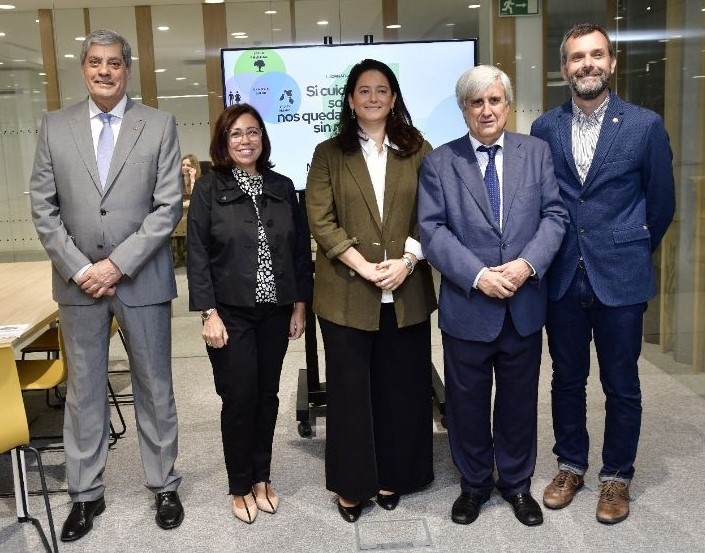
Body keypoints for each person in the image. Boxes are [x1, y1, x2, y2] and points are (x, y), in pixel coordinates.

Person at [29, 29, 184, 542]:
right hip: (78, 285)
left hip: (141, 279)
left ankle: (164, 485)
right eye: (95, 62)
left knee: (155, 387)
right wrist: (80, 268)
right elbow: (44, 208)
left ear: (127, 69)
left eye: (114, 63)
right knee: (84, 392)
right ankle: (85, 495)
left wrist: (117, 265)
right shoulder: (54, 127)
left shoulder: (158, 125)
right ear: (82, 67)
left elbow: (167, 207)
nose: (104, 71)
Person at [530, 23, 676, 524]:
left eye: (596, 55)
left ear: (611, 63)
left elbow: (660, 205)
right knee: (566, 379)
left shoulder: (644, 125)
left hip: (621, 276)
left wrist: (628, 248)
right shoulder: (544, 129)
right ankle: (570, 465)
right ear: (564, 68)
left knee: (622, 383)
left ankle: (616, 477)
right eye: (576, 58)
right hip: (563, 277)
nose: (586, 64)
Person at [418, 65, 568, 527]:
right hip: (469, 307)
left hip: (523, 306)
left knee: (519, 402)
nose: (487, 110)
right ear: (464, 110)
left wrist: (527, 265)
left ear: (507, 104)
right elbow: (431, 230)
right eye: (476, 102)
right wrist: (478, 274)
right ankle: (475, 484)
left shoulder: (537, 152)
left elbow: (555, 215)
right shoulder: (440, 162)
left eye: (495, 101)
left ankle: (517, 485)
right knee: (466, 405)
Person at [306, 59, 437, 523]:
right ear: (350, 100)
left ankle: (394, 474)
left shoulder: (418, 150)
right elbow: (321, 221)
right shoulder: (328, 154)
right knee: (349, 392)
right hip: (345, 292)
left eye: (383, 90)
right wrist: (364, 266)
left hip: (407, 288)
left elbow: (434, 213)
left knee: (400, 388)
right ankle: (352, 483)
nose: (374, 97)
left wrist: (406, 261)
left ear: (394, 98)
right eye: (364, 90)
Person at [186, 103, 312, 524]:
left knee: (267, 397)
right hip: (230, 313)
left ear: (263, 138)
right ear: (224, 141)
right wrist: (208, 313)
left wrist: (299, 305)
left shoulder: (282, 185)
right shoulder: (209, 188)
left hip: (275, 312)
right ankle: (239, 484)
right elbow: (198, 254)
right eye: (236, 133)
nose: (246, 140)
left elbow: (298, 252)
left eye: (253, 132)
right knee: (238, 399)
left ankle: (262, 477)